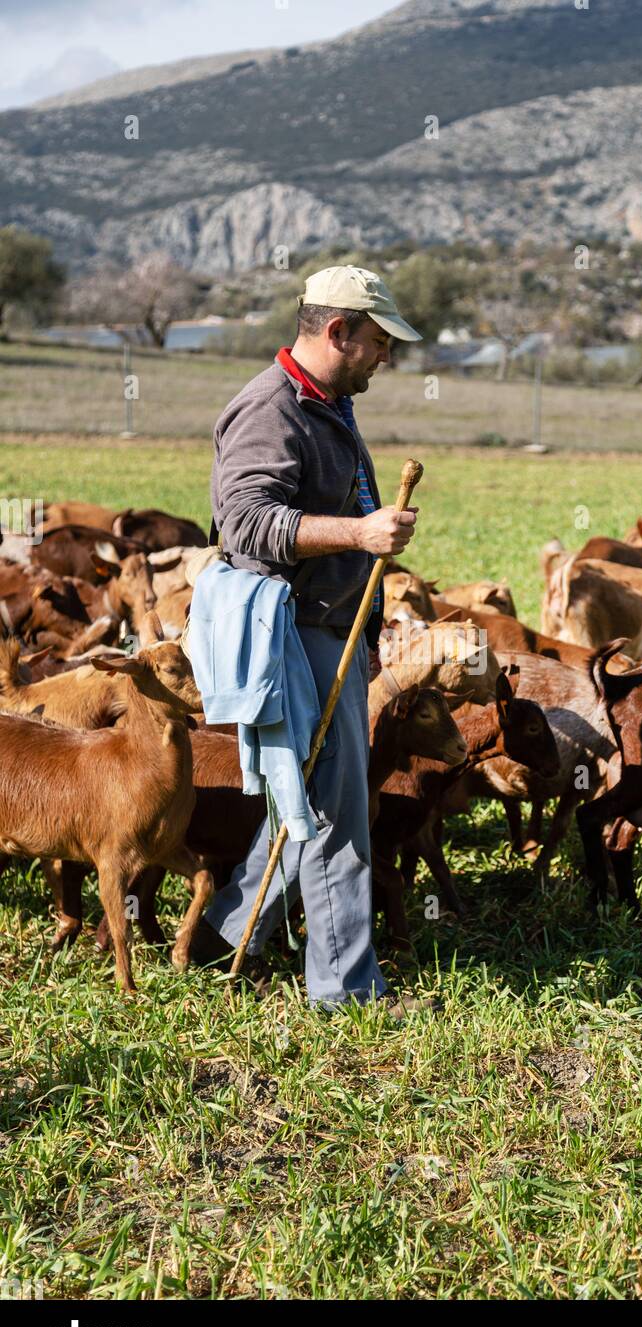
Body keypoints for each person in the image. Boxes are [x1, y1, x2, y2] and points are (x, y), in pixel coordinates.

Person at [191, 265, 433, 1017]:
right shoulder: (269, 410)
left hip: (329, 627)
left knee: (308, 796)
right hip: (288, 633)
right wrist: (361, 534)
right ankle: (346, 991)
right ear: (338, 332)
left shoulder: (327, 402)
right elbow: (249, 525)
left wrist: (364, 625)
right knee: (337, 812)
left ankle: (223, 936)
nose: (386, 356)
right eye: (378, 341)